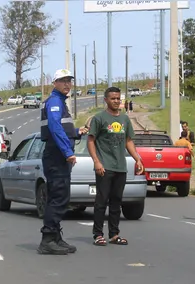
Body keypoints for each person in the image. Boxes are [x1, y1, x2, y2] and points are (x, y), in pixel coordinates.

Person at [37, 68, 88, 255]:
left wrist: (76, 132)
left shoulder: (60, 102)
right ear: (55, 83)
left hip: (58, 154)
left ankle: (56, 236)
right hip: (56, 155)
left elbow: (61, 128)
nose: (67, 84)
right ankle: (48, 239)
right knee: (58, 197)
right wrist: (68, 152)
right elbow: (55, 127)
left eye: (69, 81)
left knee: (60, 196)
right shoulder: (55, 102)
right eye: (63, 80)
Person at [87, 87, 145, 246]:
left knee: (116, 201)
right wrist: (96, 161)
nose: (116, 101)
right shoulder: (99, 118)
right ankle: (98, 234)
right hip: (104, 167)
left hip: (120, 167)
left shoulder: (125, 119)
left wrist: (138, 159)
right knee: (101, 201)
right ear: (106, 100)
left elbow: (128, 141)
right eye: (113, 98)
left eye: (118, 98)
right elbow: (91, 140)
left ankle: (114, 234)